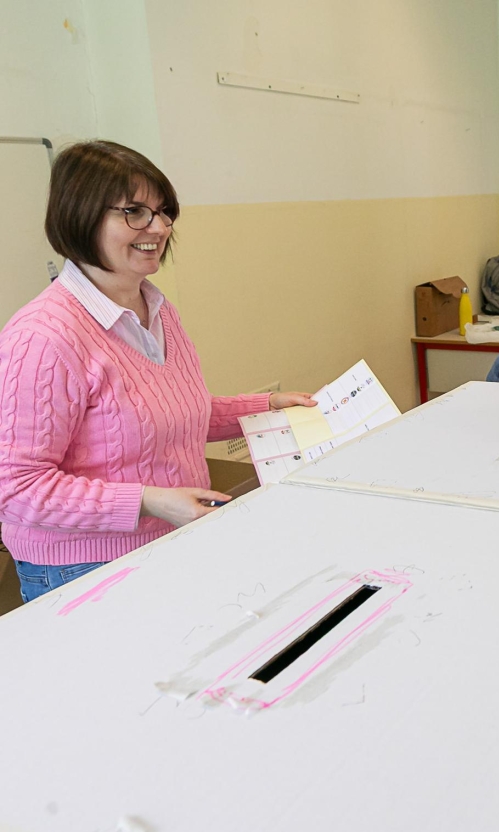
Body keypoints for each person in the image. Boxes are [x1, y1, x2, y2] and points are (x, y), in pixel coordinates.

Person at [0, 141, 315, 604]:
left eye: (163, 212)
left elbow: (172, 416)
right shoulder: (43, 337)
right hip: (84, 569)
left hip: (169, 540)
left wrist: (268, 407)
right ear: (80, 216)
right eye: (135, 212)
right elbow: (17, 488)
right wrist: (148, 500)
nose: (160, 228)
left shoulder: (157, 309)